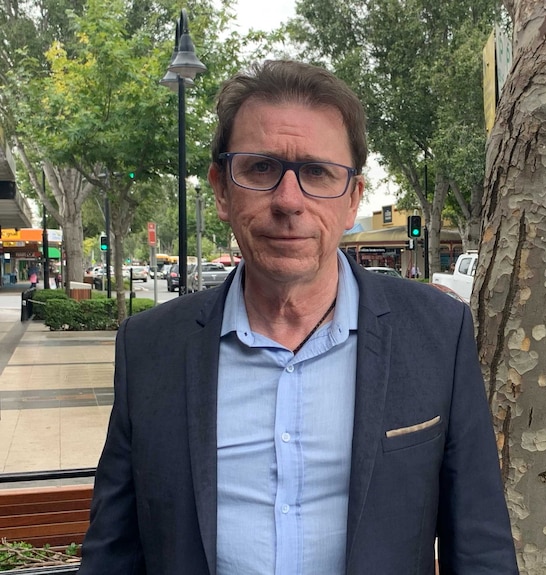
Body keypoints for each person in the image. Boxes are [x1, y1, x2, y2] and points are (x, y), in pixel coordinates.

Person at [79, 60, 517, 574]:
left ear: (353, 198)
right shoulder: (149, 347)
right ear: (221, 188)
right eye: (261, 168)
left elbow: (481, 549)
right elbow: (112, 552)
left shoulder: (439, 335)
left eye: (317, 172)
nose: (289, 201)